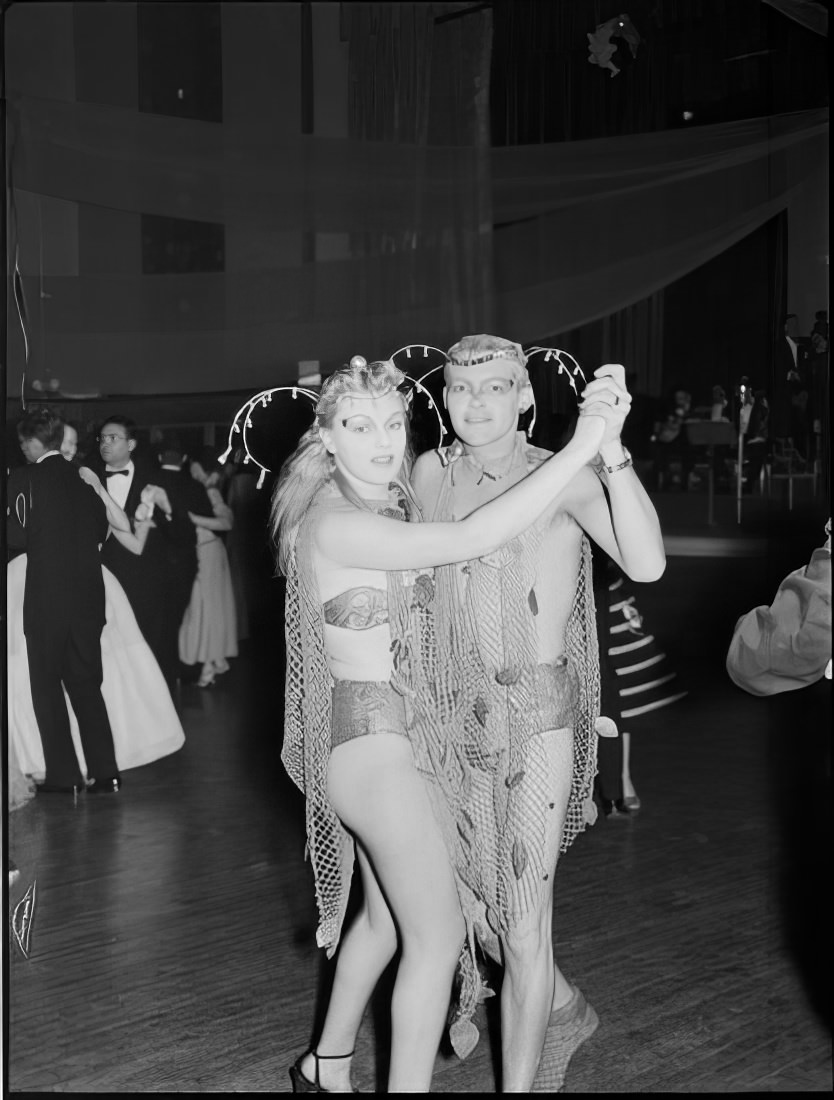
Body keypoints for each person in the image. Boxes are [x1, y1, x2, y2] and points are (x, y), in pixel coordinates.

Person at [273, 356, 621, 1093]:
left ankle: (325, 1065)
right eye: (357, 426)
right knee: (433, 944)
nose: (380, 441)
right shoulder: (336, 523)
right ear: (326, 439)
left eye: (392, 423)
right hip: (375, 747)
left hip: (395, 742)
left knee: (385, 921)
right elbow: (470, 541)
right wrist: (581, 451)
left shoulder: (382, 505)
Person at [411, 334, 665, 1091]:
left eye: (494, 387)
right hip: (452, 719)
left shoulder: (566, 475)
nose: (475, 402)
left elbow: (646, 563)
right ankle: (565, 1007)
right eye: (460, 388)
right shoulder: (429, 474)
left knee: (523, 923)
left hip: (538, 718)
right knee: (484, 915)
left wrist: (611, 450)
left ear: (525, 397)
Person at [6, 407, 120, 794]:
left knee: (48, 688)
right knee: (87, 685)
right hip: (88, 599)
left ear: (38, 442)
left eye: (25, 441)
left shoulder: (24, 478)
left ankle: (65, 776)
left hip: (47, 602)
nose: (22, 447)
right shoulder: (85, 476)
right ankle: (107, 773)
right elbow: (101, 529)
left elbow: (17, 538)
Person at [91, 420, 213, 686]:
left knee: (153, 656)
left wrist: (167, 507)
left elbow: (183, 534)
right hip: (102, 582)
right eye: (102, 438)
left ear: (131, 444)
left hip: (148, 585)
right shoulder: (89, 480)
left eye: (113, 438)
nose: (105, 443)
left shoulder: (155, 480)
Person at [179, 451, 238, 687]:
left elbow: (226, 522)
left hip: (209, 552)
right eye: (192, 470)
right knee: (205, 609)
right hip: (204, 551)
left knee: (207, 608)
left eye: (197, 470)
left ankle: (209, 666)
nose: (193, 474)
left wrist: (194, 520)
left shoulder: (211, 491)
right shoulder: (199, 490)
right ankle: (212, 663)